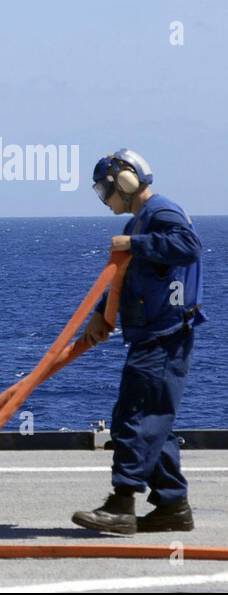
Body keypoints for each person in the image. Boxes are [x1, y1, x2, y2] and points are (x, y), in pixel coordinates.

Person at [73, 149, 206, 535]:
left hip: (164, 335)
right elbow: (127, 279)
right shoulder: (140, 223)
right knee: (153, 421)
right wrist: (103, 313)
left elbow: (188, 246)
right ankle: (171, 506)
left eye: (105, 189)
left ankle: (122, 503)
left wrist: (136, 244)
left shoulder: (160, 214)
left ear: (126, 181)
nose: (105, 199)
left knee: (134, 417)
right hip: (153, 334)